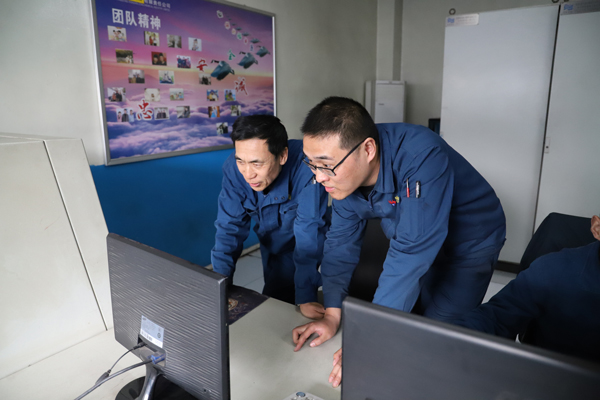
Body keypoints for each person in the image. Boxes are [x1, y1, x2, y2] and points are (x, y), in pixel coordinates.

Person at [292, 96, 506, 387]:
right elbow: (340, 244)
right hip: (416, 236)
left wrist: (370, 338)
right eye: (312, 164)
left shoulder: (420, 155)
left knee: (438, 334)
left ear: (368, 149)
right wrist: (332, 313)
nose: (318, 177)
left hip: (469, 243)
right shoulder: (344, 179)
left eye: (326, 165)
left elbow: (409, 255)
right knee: (410, 316)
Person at [211, 115, 330, 315]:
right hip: (270, 239)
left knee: (281, 297)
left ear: (282, 156)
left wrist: (306, 297)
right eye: (241, 161)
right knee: (275, 293)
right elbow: (228, 228)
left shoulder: (307, 167)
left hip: (301, 241)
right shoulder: (234, 169)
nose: (248, 174)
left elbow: (309, 233)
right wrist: (217, 286)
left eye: (257, 164)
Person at [455, 214, 600, 363]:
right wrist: (453, 340)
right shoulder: (553, 270)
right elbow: (496, 316)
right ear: (597, 228)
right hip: (550, 371)